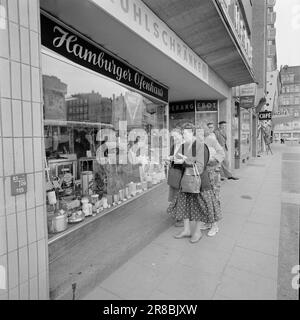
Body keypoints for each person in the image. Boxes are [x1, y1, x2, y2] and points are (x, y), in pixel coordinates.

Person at [167, 123, 210, 243]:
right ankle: (186, 230)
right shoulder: (184, 145)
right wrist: (170, 160)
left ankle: (197, 232)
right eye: (183, 133)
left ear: (193, 134)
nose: (183, 135)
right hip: (185, 180)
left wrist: (184, 161)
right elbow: (176, 158)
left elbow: (200, 167)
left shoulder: (202, 146)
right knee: (185, 206)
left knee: (199, 207)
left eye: (185, 133)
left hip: (199, 181)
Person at [198, 124, 225, 236]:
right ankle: (208, 222)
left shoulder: (211, 140)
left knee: (213, 198)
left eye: (199, 130)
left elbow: (221, 153)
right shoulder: (199, 142)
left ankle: (215, 225)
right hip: (204, 174)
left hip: (213, 173)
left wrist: (212, 160)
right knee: (205, 199)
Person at [167, 127, 184, 227]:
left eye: (175, 136)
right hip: (175, 171)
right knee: (175, 194)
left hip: (182, 172)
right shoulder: (174, 145)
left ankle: (181, 217)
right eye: (172, 137)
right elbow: (171, 156)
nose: (174, 138)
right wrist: (169, 159)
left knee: (180, 194)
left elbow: (187, 159)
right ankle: (177, 213)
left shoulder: (185, 145)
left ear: (180, 134)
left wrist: (175, 159)